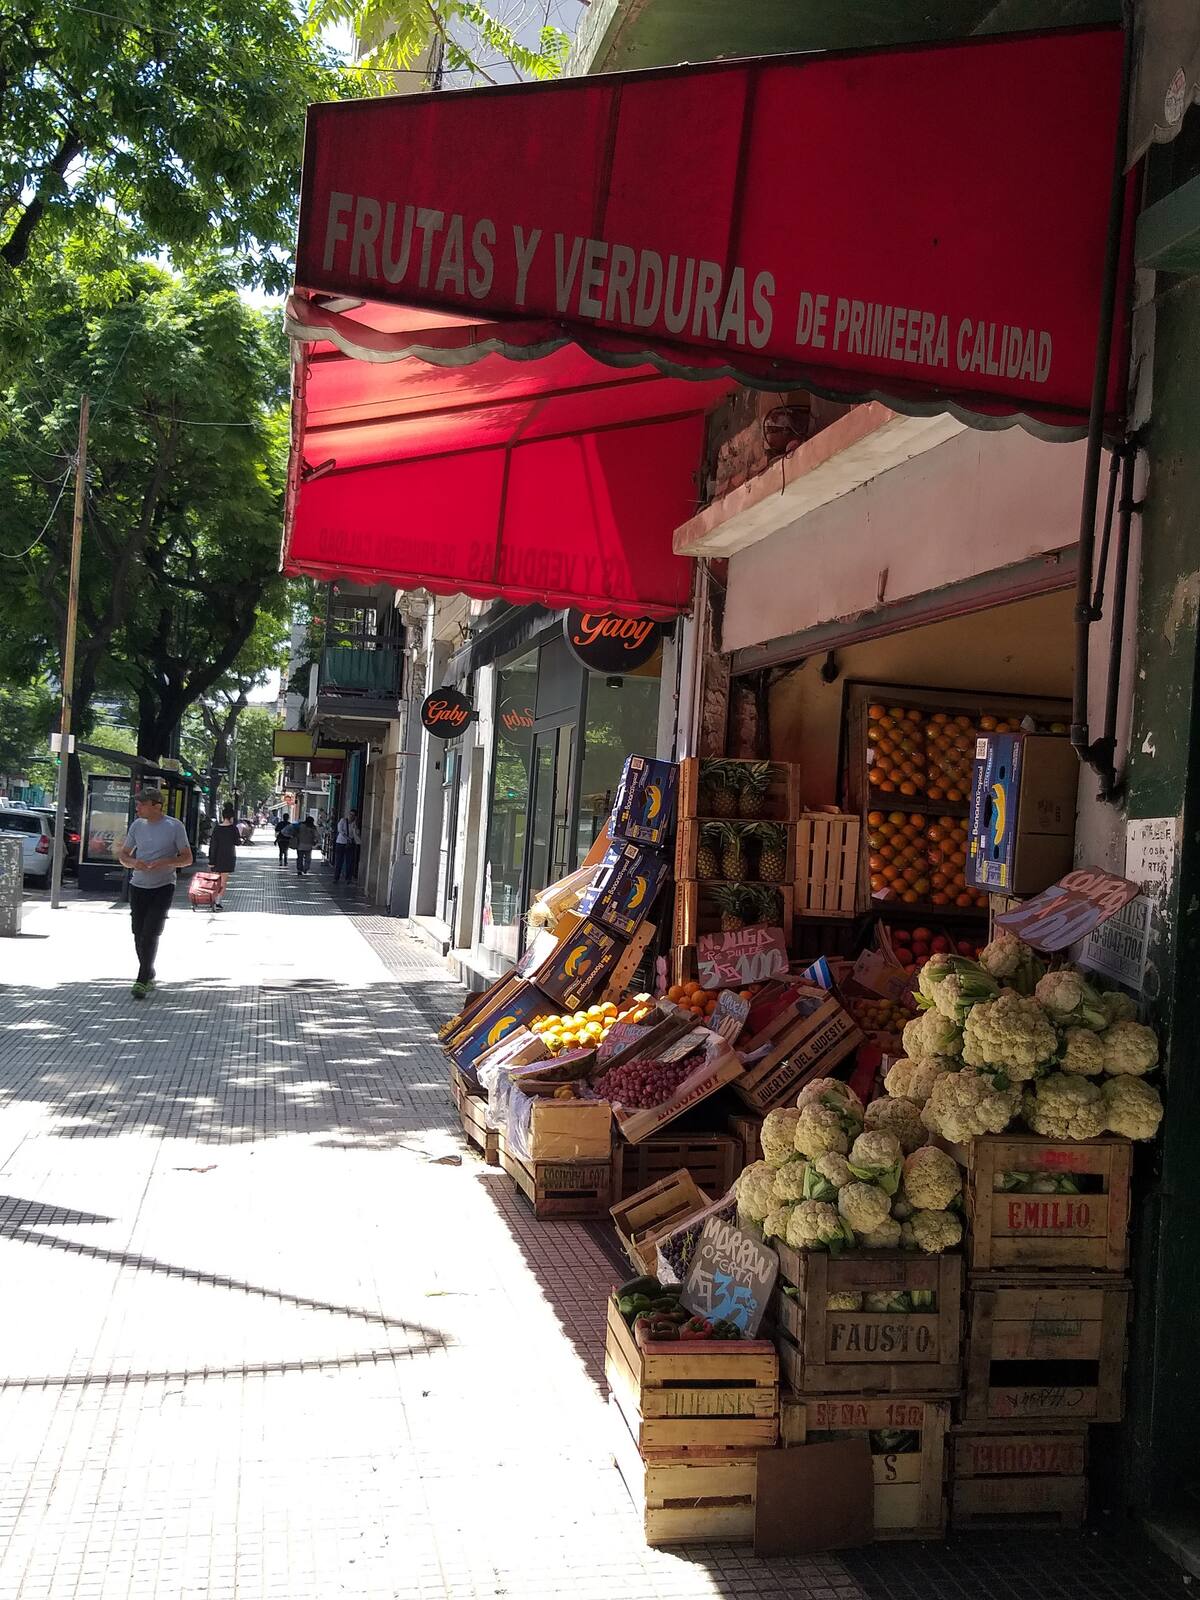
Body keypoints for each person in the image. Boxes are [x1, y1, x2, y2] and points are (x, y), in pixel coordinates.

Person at [115, 787, 193, 999]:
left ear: (156, 806)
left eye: (142, 804)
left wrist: (166, 862)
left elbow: (187, 858)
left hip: (163, 886)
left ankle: (142, 980)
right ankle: (148, 970)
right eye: (138, 803)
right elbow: (124, 855)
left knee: (151, 932)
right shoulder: (137, 825)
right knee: (138, 933)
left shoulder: (174, 826)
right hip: (138, 885)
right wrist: (134, 863)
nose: (138, 807)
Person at [207, 802, 238, 909]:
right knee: (223, 882)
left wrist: (211, 861)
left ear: (223, 816)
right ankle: (218, 900)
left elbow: (213, 845)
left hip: (216, 858)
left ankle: (212, 898)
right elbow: (237, 842)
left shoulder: (217, 829)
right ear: (232, 817)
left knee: (215, 880)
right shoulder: (233, 829)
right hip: (228, 858)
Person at [333, 813, 352, 882]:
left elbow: (354, 833)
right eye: (350, 814)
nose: (351, 816)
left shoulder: (354, 824)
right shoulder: (343, 821)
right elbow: (340, 830)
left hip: (349, 844)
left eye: (353, 815)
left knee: (349, 862)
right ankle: (336, 877)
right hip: (340, 843)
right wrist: (348, 838)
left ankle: (348, 878)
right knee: (339, 861)